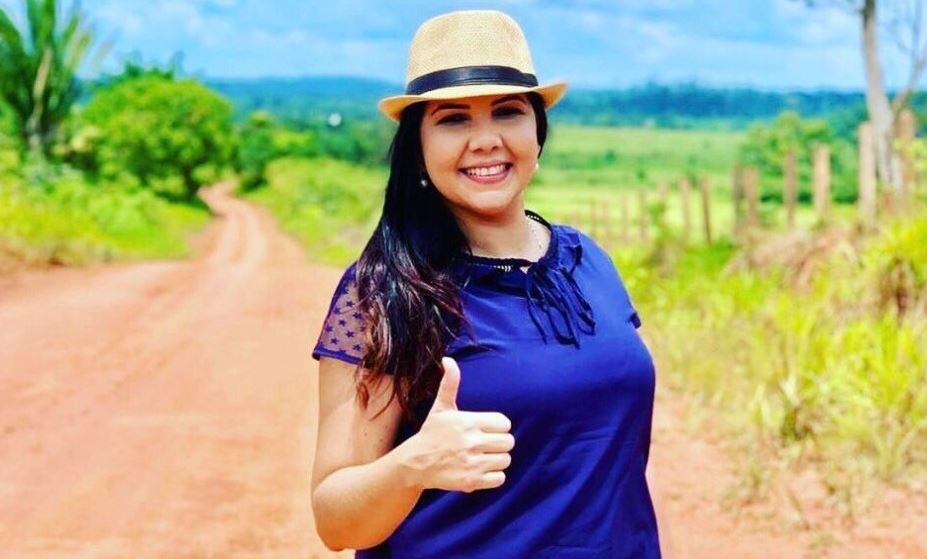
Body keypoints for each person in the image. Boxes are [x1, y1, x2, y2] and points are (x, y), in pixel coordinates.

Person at [310, 9, 663, 558]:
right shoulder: (386, 292)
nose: (486, 140)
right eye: (454, 119)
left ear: (537, 132)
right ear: (418, 146)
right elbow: (336, 521)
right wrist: (412, 466)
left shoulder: (587, 261)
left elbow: (619, 462)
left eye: (508, 111)